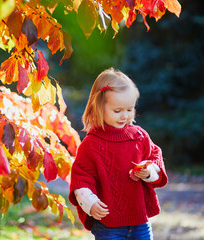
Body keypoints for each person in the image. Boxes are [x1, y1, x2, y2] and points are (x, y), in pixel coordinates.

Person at [68, 68, 168, 240]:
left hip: (139, 221)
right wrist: (90, 203)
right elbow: (81, 178)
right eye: (117, 111)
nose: (124, 116)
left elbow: (155, 156)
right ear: (99, 107)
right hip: (108, 224)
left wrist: (149, 171)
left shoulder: (139, 136)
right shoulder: (91, 144)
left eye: (129, 110)